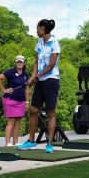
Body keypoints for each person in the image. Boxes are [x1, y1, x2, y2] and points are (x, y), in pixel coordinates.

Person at [17, 19, 60, 153]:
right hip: (40, 80)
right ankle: (31, 141)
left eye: (37, 28)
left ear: (43, 28)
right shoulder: (38, 43)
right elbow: (36, 62)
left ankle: (49, 144)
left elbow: (51, 64)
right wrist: (33, 77)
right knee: (33, 109)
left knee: (50, 112)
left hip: (51, 80)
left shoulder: (55, 43)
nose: (36, 31)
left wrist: (38, 76)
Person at [0, 55, 30, 147]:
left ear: (23, 63)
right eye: (18, 61)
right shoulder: (10, 72)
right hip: (10, 100)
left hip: (21, 101)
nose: (19, 63)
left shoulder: (26, 74)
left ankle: (15, 142)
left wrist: (27, 102)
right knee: (11, 121)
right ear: (16, 62)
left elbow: (27, 89)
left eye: (21, 62)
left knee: (18, 121)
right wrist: (4, 90)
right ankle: (7, 143)